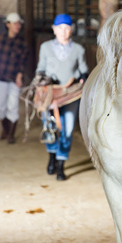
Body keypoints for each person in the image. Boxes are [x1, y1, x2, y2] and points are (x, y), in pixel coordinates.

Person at [36, 13, 88, 181]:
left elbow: (83, 70)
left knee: (68, 129)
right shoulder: (45, 47)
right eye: (60, 28)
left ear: (71, 30)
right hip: (51, 93)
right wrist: (41, 77)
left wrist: (84, 77)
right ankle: (52, 156)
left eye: (67, 28)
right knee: (49, 127)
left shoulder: (79, 50)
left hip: (70, 94)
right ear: (54, 29)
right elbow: (41, 67)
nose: (63, 31)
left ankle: (60, 164)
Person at [0, 12, 29, 144]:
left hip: (14, 80)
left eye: (19, 23)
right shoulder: (0, 39)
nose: (18, 26)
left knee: (13, 107)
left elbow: (23, 63)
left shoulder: (22, 44)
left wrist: (19, 77)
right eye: (15, 23)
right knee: (1, 107)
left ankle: (11, 134)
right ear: (8, 24)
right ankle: (5, 129)